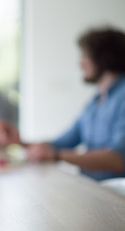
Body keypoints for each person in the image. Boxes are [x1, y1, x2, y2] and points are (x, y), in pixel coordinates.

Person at [26, 28, 125, 180]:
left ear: (104, 57)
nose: (80, 63)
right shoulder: (94, 103)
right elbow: (61, 143)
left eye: (85, 56)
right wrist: (18, 142)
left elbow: (117, 159)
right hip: (93, 189)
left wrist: (57, 156)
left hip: (116, 195)